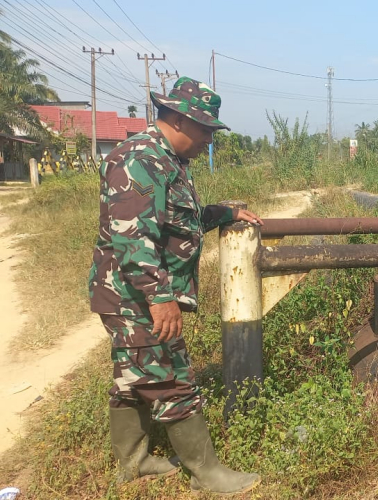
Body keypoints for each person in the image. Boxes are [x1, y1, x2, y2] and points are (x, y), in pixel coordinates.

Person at [88, 77, 263, 494]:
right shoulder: (138, 159)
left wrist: (226, 213)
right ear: (181, 121)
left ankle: (133, 462)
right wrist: (159, 297)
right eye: (206, 130)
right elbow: (133, 237)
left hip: (133, 295)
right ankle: (208, 474)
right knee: (170, 378)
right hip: (133, 297)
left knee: (134, 379)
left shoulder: (168, 160)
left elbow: (177, 221)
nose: (209, 140)